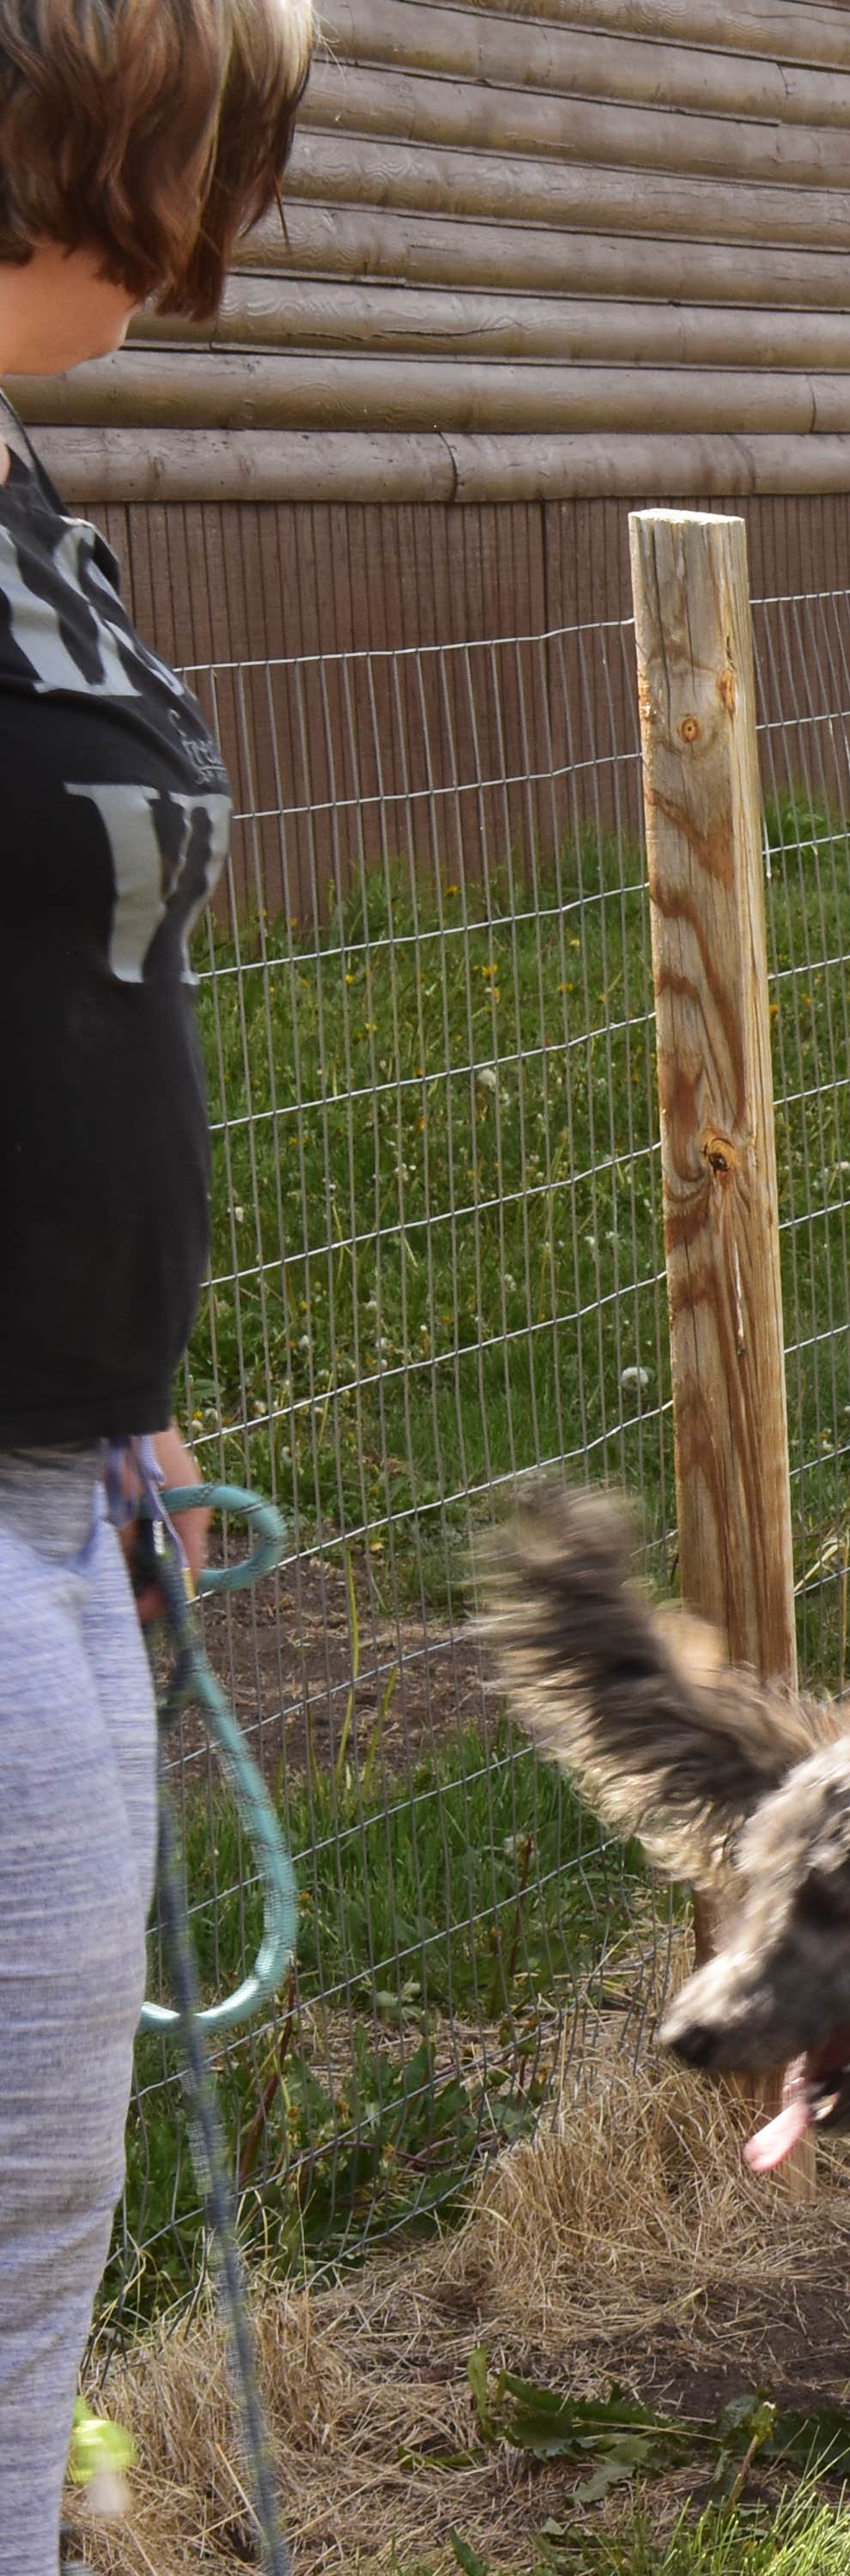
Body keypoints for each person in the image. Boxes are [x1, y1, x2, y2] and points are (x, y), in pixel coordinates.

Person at [0, 1, 309, 2564]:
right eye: (201, 156)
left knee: (34, 2233)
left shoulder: (28, 492)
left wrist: (125, 1394)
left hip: (60, 1463)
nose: (219, 223)